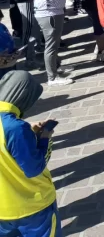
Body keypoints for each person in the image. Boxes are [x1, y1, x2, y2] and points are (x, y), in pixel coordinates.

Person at [0, 71, 61, 237]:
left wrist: (26, 130)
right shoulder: (15, 128)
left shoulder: (14, 126)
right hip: (32, 208)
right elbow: (34, 168)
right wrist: (44, 139)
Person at [29, 0, 73, 86]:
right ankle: (52, 77)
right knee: (51, 45)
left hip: (55, 9)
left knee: (55, 43)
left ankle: (56, 67)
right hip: (47, 12)